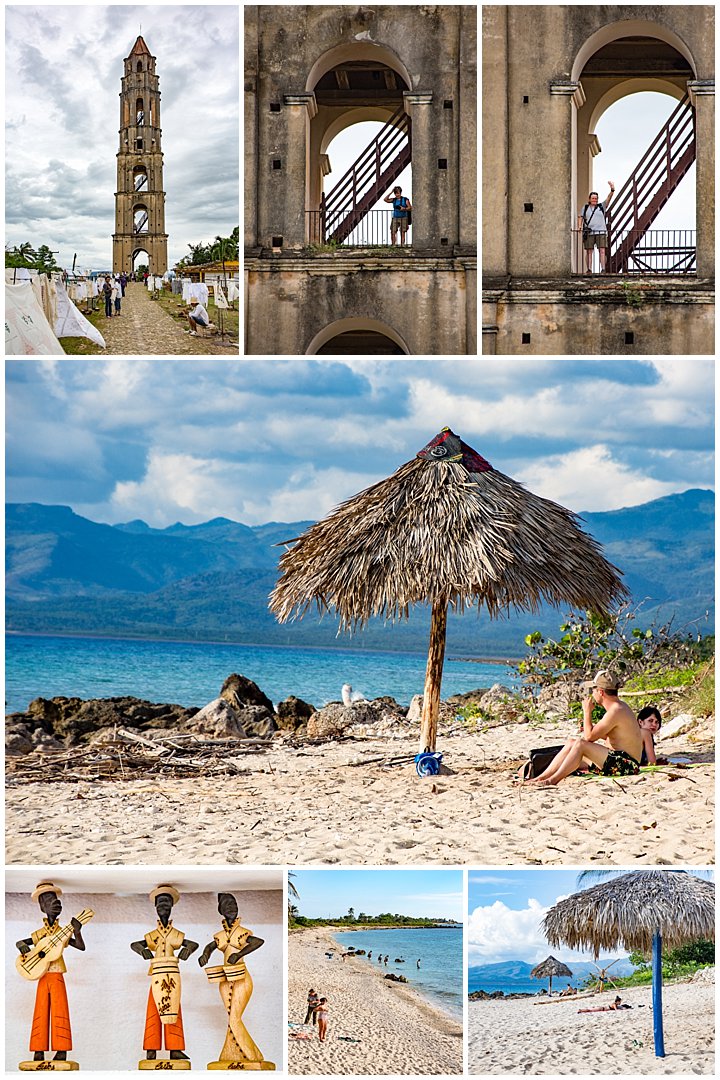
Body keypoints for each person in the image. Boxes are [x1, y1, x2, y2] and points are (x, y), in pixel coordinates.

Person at [16, 882, 91, 1064]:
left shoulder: (61, 932)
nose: (56, 903)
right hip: (41, 975)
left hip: (57, 975)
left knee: (60, 1010)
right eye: (50, 901)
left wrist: (78, 931)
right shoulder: (40, 933)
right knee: (40, 1012)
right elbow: (20, 943)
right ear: (42, 907)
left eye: (56, 900)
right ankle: (38, 1052)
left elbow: (80, 946)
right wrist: (24, 949)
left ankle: (61, 1051)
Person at [528, 670, 643, 786]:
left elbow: (588, 738)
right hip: (619, 760)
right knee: (571, 743)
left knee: (580, 744)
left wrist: (587, 712)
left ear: (600, 692)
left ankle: (552, 780)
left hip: (627, 765)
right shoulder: (619, 707)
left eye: (593, 690)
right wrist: (589, 726)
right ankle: (541, 777)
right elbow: (614, 737)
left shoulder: (616, 710)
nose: (592, 693)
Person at [197, 892, 271, 1066]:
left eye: (234, 905)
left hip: (241, 977)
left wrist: (239, 954)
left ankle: (252, 1055)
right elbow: (210, 946)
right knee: (231, 1017)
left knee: (234, 1018)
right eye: (228, 905)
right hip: (224, 979)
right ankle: (231, 1053)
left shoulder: (242, 932)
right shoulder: (220, 935)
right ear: (221, 910)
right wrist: (205, 954)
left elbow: (258, 941)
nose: (232, 908)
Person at [130, 885, 198, 1062]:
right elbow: (135, 944)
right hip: (157, 976)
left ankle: (175, 1049)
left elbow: (192, 944)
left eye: (167, 903)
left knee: (174, 1009)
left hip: (172, 975)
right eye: (160, 903)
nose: (163, 907)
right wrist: (142, 951)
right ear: (155, 907)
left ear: (172, 906)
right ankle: (151, 1050)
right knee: (153, 1010)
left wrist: (187, 951)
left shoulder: (175, 934)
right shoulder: (153, 935)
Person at [578, 182, 615, 274]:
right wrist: (579, 226)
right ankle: (589, 269)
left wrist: (612, 190)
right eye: (593, 198)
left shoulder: (601, 206)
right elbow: (581, 217)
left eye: (596, 198)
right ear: (589, 199)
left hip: (601, 232)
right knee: (589, 252)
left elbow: (608, 198)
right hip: (589, 233)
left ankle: (603, 269)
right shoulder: (585, 208)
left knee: (602, 251)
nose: (594, 200)